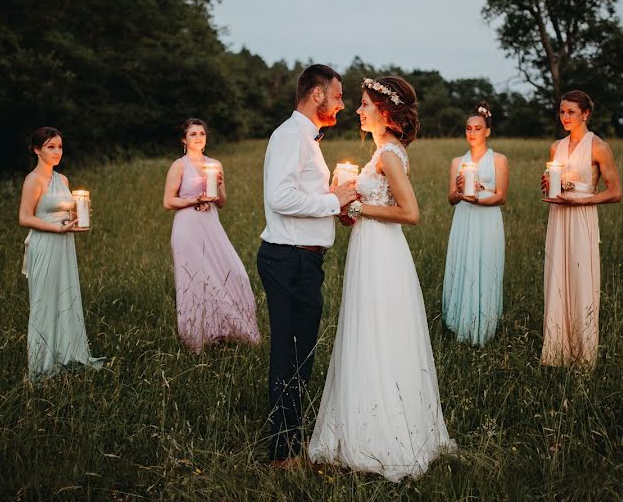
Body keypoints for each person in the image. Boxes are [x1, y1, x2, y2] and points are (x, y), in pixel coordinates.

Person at [308, 76, 455, 482]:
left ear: (385, 112)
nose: (358, 110)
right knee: (367, 331)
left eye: (365, 105)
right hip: (368, 248)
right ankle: (363, 422)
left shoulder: (389, 155)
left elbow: (410, 213)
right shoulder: (379, 154)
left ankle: (383, 435)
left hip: (384, 253)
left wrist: (358, 209)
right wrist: (350, 207)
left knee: (379, 333)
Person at [257, 64, 359, 468]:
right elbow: (280, 197)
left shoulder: (308, 139)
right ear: (317, 94)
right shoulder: (289, 136)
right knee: (290, 354)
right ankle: (282, 454)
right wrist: (334, 200)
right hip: (289, 259)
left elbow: (302, 197)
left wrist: (334, 200)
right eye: (337, 96)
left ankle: (291, 441)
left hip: (302, 258)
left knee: (300, 357)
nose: (341, 104)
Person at [163, 118, 261, 352]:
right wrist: (193, 200)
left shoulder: (215, 164)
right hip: (187, 226)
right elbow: (168, 201)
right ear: (184, 140)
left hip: (211, 224)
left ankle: (227, 330)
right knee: (195, 279)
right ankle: (197, 337)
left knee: (235, 273)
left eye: (202, 134)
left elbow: (223, 202)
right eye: (193, 134)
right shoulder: (179, 165)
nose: (199, 138)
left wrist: (219, 185)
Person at [541, 90, 623, 366]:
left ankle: (583, 355)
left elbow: (615, 192)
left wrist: (583, 200)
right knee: (557, 278)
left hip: (582, 217)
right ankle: (556, 351)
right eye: (562, 112)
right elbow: (556, 181)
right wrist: (550, 185)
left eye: (571, 112)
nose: (565, 117)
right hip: (558, 216)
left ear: (586, 114)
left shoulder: (598, 147)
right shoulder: (556, 147)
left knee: (581, 277)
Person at [18, 127, 104, 381]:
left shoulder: (63, 180)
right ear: (37, 150)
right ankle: (42, 364)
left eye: (60, 146)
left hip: (65, 243)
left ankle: (67, 354)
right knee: (45, 301)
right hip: (45, 244)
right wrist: (56, 227)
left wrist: (79, 216)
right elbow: (25, 218)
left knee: (65, 296)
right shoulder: (33, 180)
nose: (57, 152)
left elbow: (66, 213)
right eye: (50, 147)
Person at [442, 104, 509, 346]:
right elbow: (450, 199)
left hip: (487, 219)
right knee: (464, 264)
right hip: (464, 218)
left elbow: (501, 196)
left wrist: (479, 194)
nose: (472, 133)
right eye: (468, 128)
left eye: (478, 128)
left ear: (487, 132)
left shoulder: (499, 160)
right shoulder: (457, 162)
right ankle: (460, 324)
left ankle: (485, 327)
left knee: (486, 264)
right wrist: (460, 191)